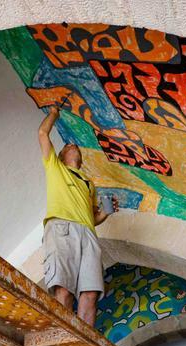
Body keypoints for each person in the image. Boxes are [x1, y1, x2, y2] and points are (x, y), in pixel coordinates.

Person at [38, 104, 117, 327]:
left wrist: (106, 213)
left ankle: (85, 342)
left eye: (75, 146)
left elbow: (94, 219)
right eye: (67, 145)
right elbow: (42, 133)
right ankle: (65, 340)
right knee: (64, 289)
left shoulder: (89, 184)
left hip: (87, 233)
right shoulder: (55, 168)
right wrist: (54, 113)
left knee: (90, 293)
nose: (72, 145)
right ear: (62, 156)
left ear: (79, 158)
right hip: (62, 227)